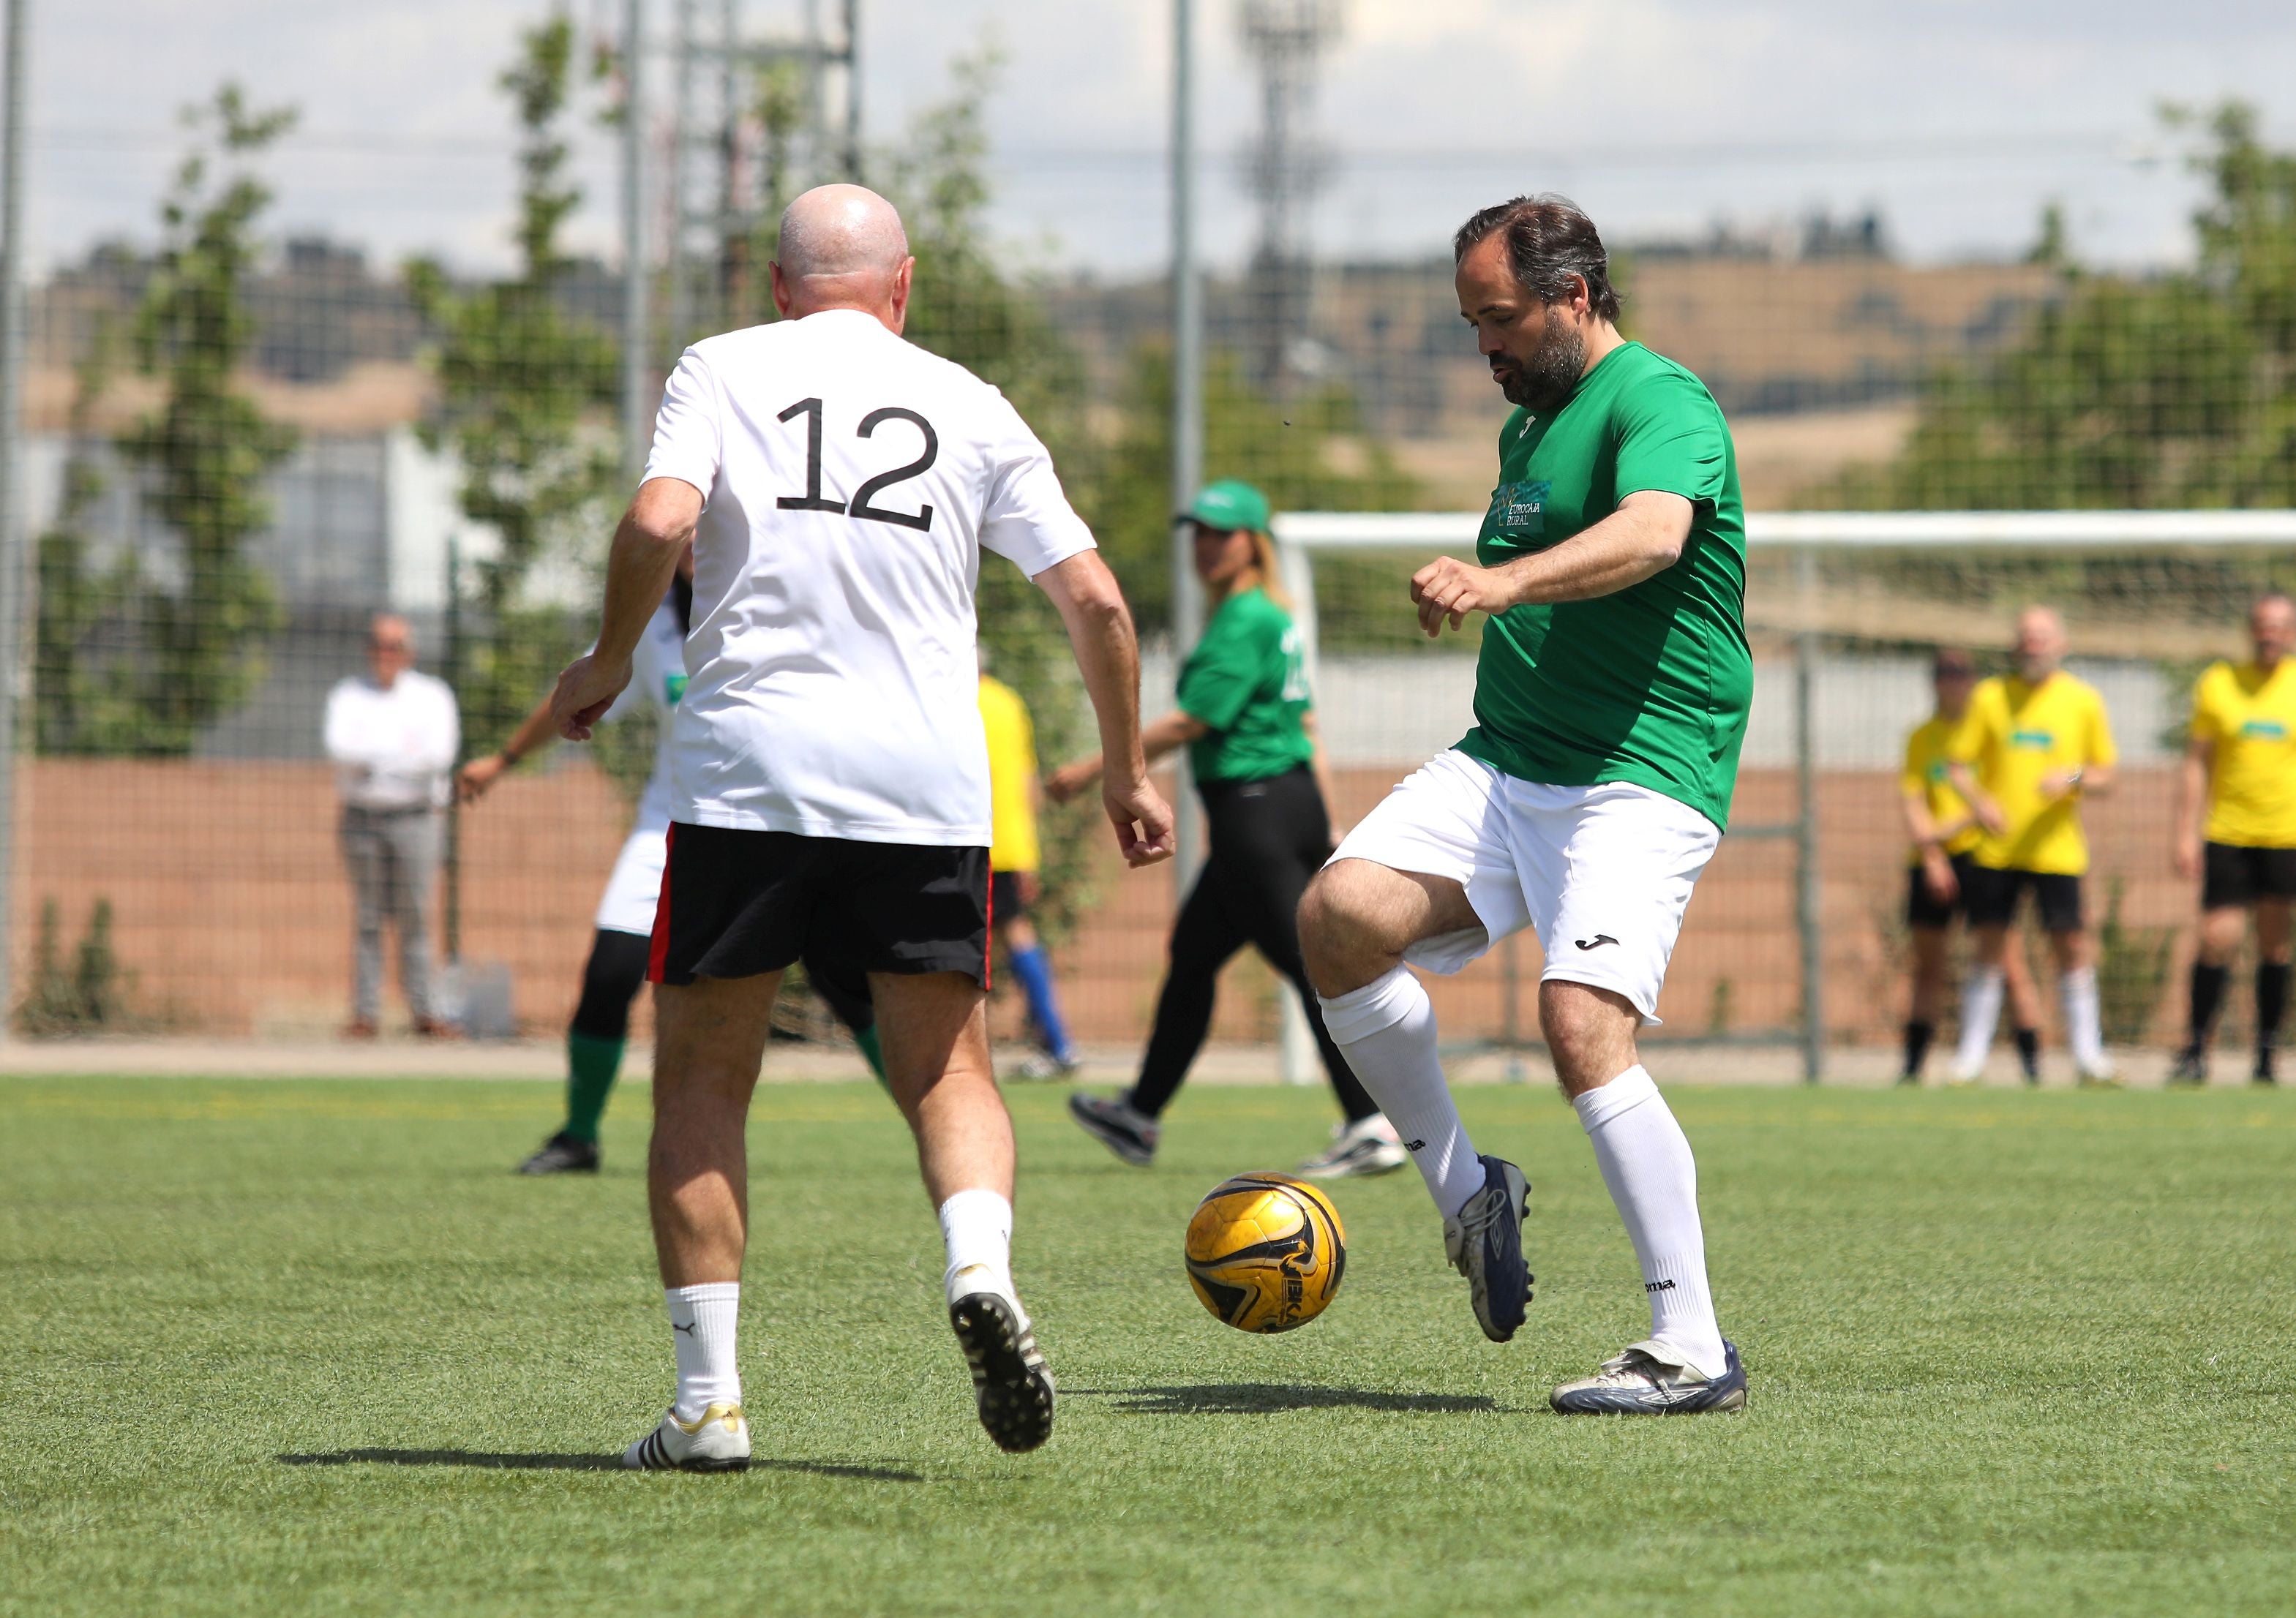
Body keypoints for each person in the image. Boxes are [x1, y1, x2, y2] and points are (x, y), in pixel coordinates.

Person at [547, 184, 1171, 1470]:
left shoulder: (721, 367)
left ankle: (709, 1405)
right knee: (949, 1068)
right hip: (922, 782)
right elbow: (1099, 602)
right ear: (903, 285)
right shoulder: (970, 401)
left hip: (749, 774)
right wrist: (1123, 771)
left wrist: (606, 659)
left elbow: (661, 519)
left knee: (705, 1077)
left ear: (779, 286)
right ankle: (978, 1268)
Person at [1296, 195, 1749, 1415]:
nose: (1484, 346)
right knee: (1337, 918)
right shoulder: (1529, 423)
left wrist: (1499, 583)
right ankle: (1467, 1195)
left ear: (1574, 297)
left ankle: (1689, 1347)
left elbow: (1651, 535)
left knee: (1579, 1021)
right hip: (1508, 761)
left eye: (1497, 320)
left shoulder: (1660, 401)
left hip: (1638, 769)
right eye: (1471, 324)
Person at [459, 554, 889, 1176]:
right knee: (610, 973)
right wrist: (503, 760)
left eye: (706, 526)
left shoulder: (779, 602)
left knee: (844, 979)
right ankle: (579, 1137)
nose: (694, 543)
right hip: (671, 822)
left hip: (785, 824)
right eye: (688, 531)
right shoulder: (650, 623)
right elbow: (581, 687)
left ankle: (930, 1118)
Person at [1053, 479, 1406, 1181]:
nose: (1207, 545)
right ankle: (1140, 1114)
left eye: (1223, 532)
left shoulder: (1245, 618)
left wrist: (1093, 770)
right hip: (1284, 804)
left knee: (1312, 969)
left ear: (1254, 543)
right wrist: (1327, 816)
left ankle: (1371, 1122)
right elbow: (1307, 724)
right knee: (1193, 958)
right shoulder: (1272, 616)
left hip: (1256, 813)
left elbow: (1193, 721)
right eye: (1200, 532)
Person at [1944, 606, 2119, 1087]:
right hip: (1997, 851)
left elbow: (2105, 774)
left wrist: (2073, 777)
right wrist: (1981, 804)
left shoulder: (2082, 700)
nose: (2034, 644)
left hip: (2057, 850)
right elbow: (1957, 767)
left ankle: (2089, 1058)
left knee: (2072, 946)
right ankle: (1970, 1060)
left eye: (2043, 636)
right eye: (2026, 636)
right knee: (1988, 947)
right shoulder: (1990, 697)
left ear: (2061, 644)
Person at [1899, 648, 2041, 1085]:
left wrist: (1962, 819)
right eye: (1945, 673)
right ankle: (1912, 1068)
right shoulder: (1922, 738)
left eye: (1962, 674)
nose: (1953, 681)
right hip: (1933, 862)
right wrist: (1934, 855)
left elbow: (1998, 807)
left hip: (1984, 860)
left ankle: (2033, 1067)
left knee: (2008, 962)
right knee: (1929, 966)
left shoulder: (1991, 733)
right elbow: (1915, 806)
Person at [2170, 592, 2296, 1086]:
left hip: (2285, 835)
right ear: (2250, 630)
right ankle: (2195, 1050)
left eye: (2281, 625)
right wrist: (2184, 832)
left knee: (2275, 946)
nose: (2271, 634)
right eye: (2263, 625)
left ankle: (2266, 1055)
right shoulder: (2219, 683)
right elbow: (2195, 762)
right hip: (2227, 831)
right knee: (2217, 937)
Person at [323, 613, 459, 1039]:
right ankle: (365, 1014)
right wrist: (401, 757)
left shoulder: (432, 696)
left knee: (416, 916)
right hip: (361, 819)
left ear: (409, 652)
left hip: (416, 818)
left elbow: (437, 757)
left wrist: (374, 760)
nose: (386, 654)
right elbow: (339, 749)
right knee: (368, 917)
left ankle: (426, 1012)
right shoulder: (348, 695)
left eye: (395, 646)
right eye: (379, 645)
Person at [976, 660, 1079, 1080]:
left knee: (958, 943)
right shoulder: (1008, 702)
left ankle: (963, 1053)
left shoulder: (949, 697)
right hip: (1011, 845)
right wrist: (1028, 853)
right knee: (1017, 935)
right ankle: (1057, 1043)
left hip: (965, 839)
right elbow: (1027, 781)